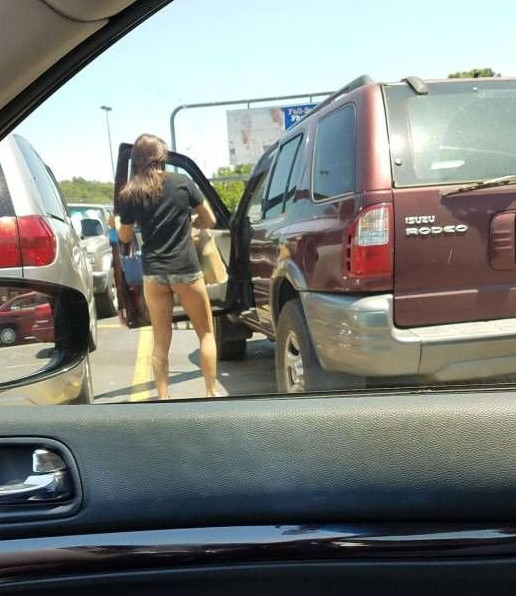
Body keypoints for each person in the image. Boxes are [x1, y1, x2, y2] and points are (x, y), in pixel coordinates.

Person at [115, 133, 218, 399]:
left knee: (160, 342)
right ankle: (211, 392)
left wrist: (115, 225)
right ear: (162, 157)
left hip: (154, 274)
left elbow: (125, 237)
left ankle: (163, 397)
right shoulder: (182, 183)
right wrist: (192, 222)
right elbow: (210, 220)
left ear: (136, 160)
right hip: (186, 270)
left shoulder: (129, 193)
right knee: (206, 334)